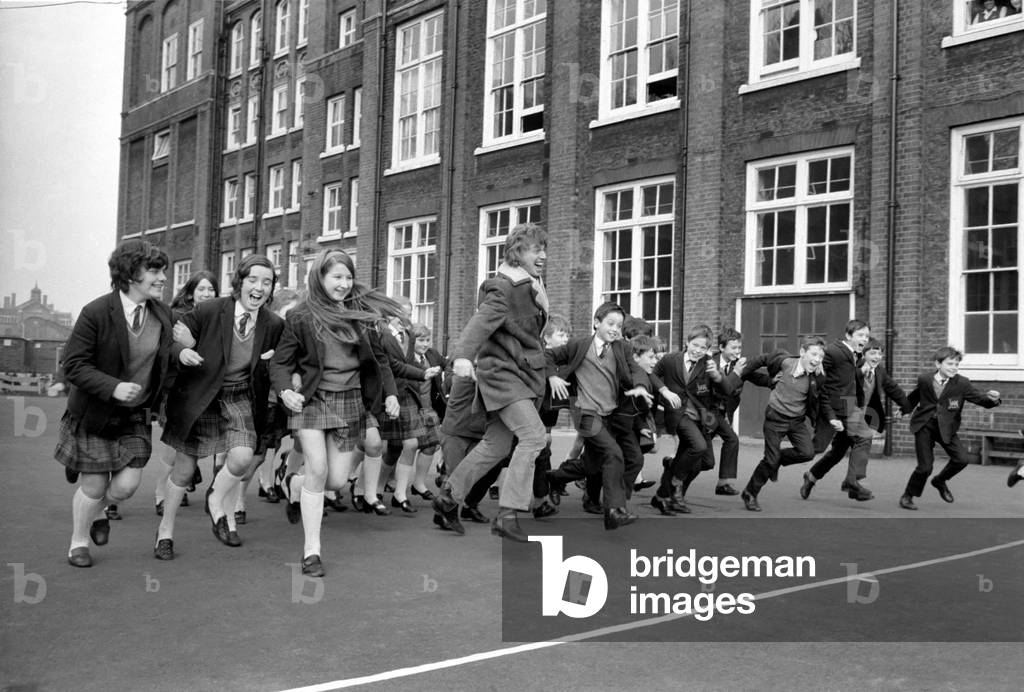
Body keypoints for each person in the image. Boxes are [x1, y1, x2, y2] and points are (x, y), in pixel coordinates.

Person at [272, 249, 402, 576]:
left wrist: (390, 394)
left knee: (336, 479)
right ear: (320, 277)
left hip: (351, 401)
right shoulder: (301, 316)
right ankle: (312, 551)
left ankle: (298, 483)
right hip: (313, 400)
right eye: (336, 277)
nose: (343, 284)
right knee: (318, 468)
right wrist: (285, 389)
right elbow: (281, 363)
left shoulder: (361, 314)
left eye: (348, 277)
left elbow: (381, 360)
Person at [56, 239, 180, 567]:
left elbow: (169, 355)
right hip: (95, 413)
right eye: (154, 270)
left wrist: (186, 352)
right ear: (129, 275)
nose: (162, 277)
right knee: (95, 484)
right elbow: (74, 365)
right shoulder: (96, 312)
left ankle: (97, 512)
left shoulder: (163, 314)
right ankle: (78, 542)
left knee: (125, 487)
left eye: (163, 271)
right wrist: (112, 387)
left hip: (135, 416)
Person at [156, 255, 284, 559]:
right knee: (184, 471)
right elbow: (171, 340)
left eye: (267, 282)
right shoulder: (209, 310)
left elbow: (281, 360)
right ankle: (165, 531)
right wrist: (184, 351)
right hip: (199, 395)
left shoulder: (274, 324)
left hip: (239, 397)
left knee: (241, 458)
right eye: (253, 280)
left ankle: (215, 497)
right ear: (239, 282)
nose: (260, 287)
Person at [433, 223, 550, 541]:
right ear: (516, 252)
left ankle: (448, 496)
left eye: (544, 249)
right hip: (502, 376)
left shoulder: (531, 285)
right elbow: (480, 322)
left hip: (519, 375)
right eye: (535, 249)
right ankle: (508, 514)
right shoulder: (504, 287)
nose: (542, 255)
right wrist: (461, 356)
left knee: (497, 444)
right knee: (534, 437)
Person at [545, 302, 654, 530]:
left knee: (592, 465)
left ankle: (554, 478)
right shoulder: (578, 345)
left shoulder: (622, 348)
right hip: (585, 413)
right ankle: (614, 510)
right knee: (614, 453)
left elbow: (636, 369)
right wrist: (552, 377)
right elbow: (546, 356)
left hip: (609, 414)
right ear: (597, 323)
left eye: (619, 325)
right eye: (610, 323)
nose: (615, 329)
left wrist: (641, 386)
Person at [801, 338, 912, 501]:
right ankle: (851, 482)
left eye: (880, 354)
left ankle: (812, 477)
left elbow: (892, 388)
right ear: (863, 354)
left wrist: (906, 407)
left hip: (862, 415)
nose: (877, 357)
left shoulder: (879, 371)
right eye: (872, 353)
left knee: (838, 452)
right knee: (862, 440)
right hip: (848, 411)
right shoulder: (853, 369)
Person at [738, 336, 835, 512]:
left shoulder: (818, 377)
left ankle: (775, 460)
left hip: (796, 421)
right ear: (802, 352)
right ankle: (750, 493)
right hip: (775, 418)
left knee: (807, 453)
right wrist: (743, 373)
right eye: (813, 354)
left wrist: (832, 418)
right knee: (770, 459)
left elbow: (824, 399)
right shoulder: (784, 362)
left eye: (820, 357)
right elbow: (761, 360)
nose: (817, 360)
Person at [151, 270, 219, 517]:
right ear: (191, 293)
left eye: (211, 289)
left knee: (194, 447)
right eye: (201, 289)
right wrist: (188, 347)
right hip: (178, 389)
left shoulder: (217, 318)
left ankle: (193, 482)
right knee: (173, 447)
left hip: (205, 391)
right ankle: (160, 494)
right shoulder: (179, 317)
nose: (207, 293)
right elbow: (169, 349)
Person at [898, 346, 1001, 510]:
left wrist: (993, 400)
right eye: (950, 364)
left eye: (956, 364)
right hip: (924, 425)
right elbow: (915, 396)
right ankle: (908, 496)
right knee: (925, 467)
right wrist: (904, 410)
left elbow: (980, 399)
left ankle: (939, 480)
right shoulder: (925, 379)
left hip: (947, 427)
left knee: (962, 459)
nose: (954, 367)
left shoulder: (962, 383)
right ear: (938, 364)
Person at [651, 325, 738, 514]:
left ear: (708, 349)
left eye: (703, 347)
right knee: (698, 446)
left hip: (703, 417)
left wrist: (717, 376)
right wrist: (664, 391)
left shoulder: (708, 364)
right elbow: (653, 375)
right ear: (687, 342)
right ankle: (676, 485)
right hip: (678, 414)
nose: (698, 350)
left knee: (705, 463)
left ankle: (663, 493)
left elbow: (728, 390)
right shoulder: (670, 360)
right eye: (695, 345)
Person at [710, 328, 746, 496]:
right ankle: (674, 481)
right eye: (733, 347)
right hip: (708, 413)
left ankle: (723, 483)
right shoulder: (710, 364)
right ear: (722, 347)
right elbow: (724, 388)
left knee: (732, 440)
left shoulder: (737, 364)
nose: (737, 351)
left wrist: (771, 381)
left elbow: (755, 375)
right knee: (698, 452)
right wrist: (737, 372)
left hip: (722, 414)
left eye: (739, 348)